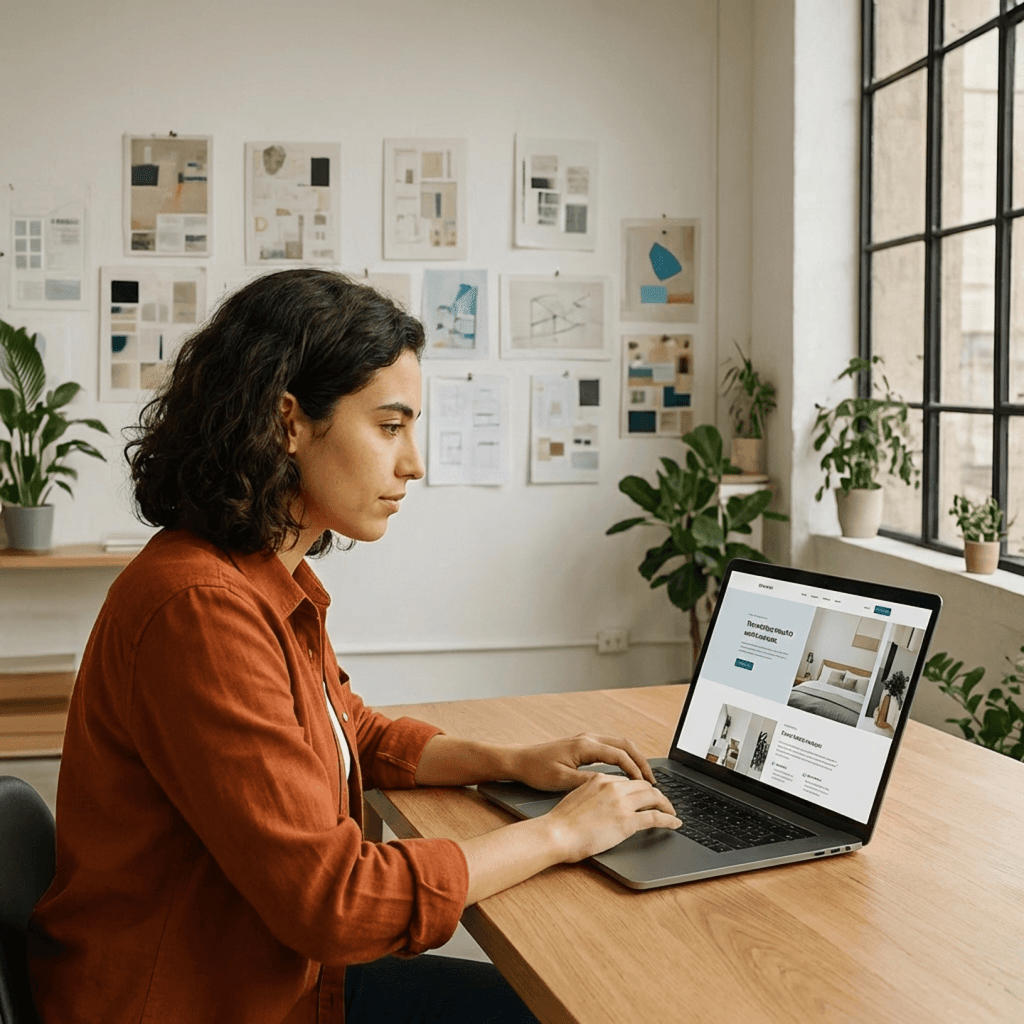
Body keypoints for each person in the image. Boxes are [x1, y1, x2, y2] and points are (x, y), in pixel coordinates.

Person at [28, 269, 681, 1024]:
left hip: (279, 980)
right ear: (289, 421)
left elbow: (352, 732)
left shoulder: (261, 577)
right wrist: (562, 832)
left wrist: (511, 762)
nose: (414, 463)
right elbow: (336, 904)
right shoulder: (201, 609)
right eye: (390, 426)